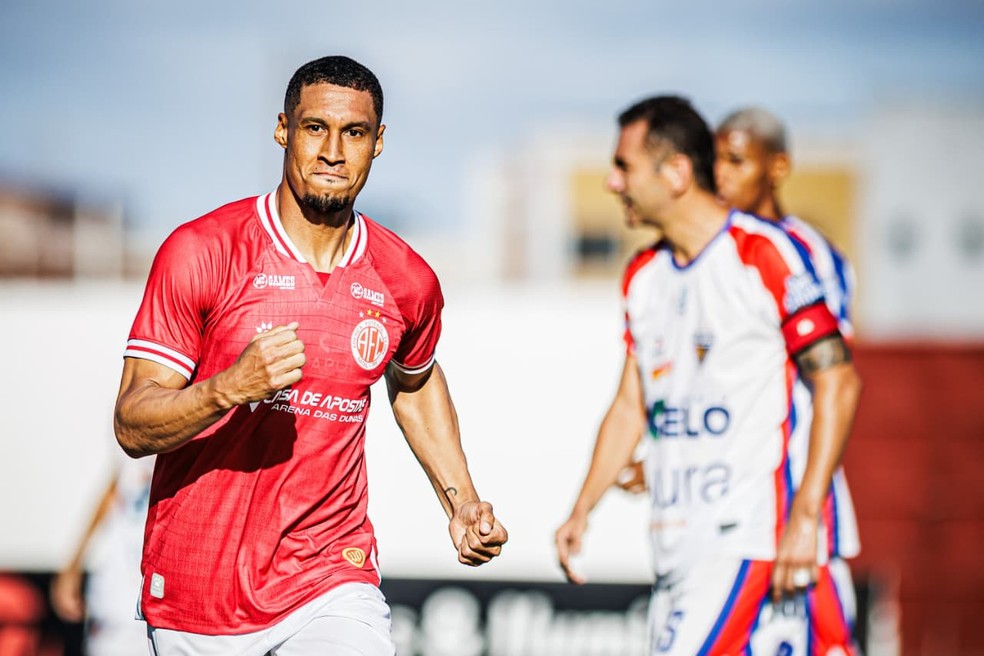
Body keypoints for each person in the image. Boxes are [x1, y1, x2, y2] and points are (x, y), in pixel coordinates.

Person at [113, 55, 508, 655]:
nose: (332, 152)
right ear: (283, 130)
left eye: (354, 133)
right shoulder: (202, 251)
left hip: (331, 575)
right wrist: (227, 388)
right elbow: (132, 424)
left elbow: (416, 380)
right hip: (201, 588)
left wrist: (461, 501)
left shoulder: (407, 279)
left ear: (378, 142)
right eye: (315, 128)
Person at [554, 96, 862, 654]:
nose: (611, 182)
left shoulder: (767, 253)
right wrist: (583, 508)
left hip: (748, 538)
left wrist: (806, 517)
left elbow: (837, 380)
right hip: (675, 544)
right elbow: (630, 406)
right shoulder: (644, 275)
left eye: (623, 166)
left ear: (675, 172)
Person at [50, 454, 155, 655]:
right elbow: (111, 493)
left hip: (160, 606)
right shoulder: (133, 451)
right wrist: (74, 564)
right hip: (115, 603)